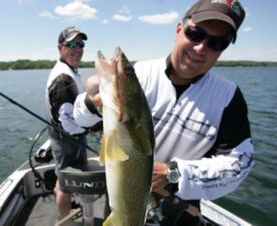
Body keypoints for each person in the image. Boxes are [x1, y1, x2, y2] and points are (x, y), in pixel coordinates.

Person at [73, 0, 254, 225]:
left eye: (217, 43)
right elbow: (75, 122)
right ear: (179, 29)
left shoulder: (228, 97)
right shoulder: (139, 75)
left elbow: (239, 165)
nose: (201, 48)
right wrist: (92, 105)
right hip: (125, 203)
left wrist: (174, 173)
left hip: (179, 212)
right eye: (195, 34)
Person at [45, 26, 88, 224]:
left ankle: (66, 209)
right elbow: (68, 124)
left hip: (63, 138)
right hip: (67, 140)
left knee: (63, 178)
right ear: (60, 48)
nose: (77, 48)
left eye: (80, 44)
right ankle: (65, 221)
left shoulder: (69, 71)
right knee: (65, 183)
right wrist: (92, 127)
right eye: (71, 44)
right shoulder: (63, 77)